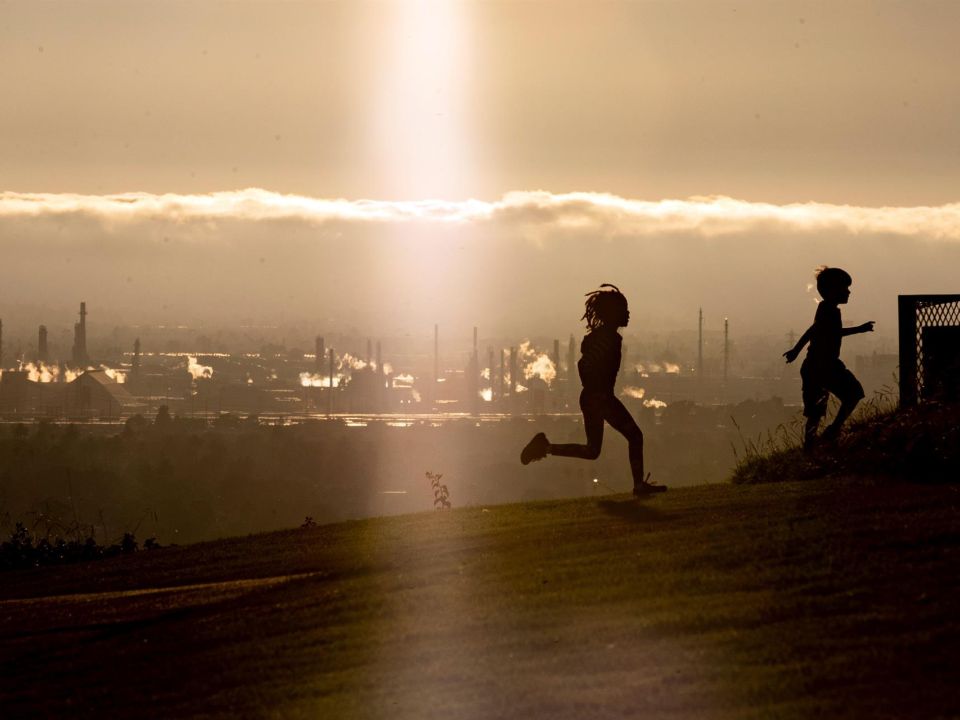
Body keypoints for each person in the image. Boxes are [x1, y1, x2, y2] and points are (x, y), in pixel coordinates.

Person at [520, 284, 666, 496]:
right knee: (634, 436)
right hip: (600, 398)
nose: (628, 314)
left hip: (594, 397)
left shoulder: (607, 337)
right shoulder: (607, 339)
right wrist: (597, 388)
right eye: (624, 310)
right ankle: (638, 486)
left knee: (592, 450)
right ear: (612, 313)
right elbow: (584, 365)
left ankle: (545, 448)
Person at [783, 266, 874, 450]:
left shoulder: (826, 309)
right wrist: (860, 329)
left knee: (816, 412)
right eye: (845, 288)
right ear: (833, 290)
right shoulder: (829, 310)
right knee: (852, 394)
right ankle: (831, 432)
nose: (848, 292)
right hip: (823, 366)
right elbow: (830, 332)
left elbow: (814, 330)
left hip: (817, 366)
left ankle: (814, 444)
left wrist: (796, 350)